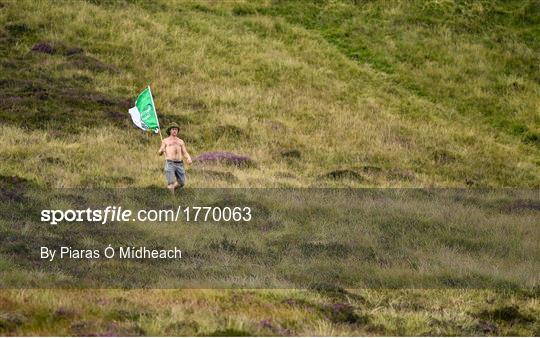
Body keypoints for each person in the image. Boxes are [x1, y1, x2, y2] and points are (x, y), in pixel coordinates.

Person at [158, 122, 192, 190]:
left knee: (181, 183)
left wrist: (188, 158)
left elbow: (184, 152)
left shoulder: (180, 141)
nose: (174, 130)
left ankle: (171, 189)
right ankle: (172, 199)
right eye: (173, 129)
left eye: (176, 129)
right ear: (170, 130)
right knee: (170, 182)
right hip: (170, 163)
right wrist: (161, 151)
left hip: (179, 163)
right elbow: (160, 151)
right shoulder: (165, 141)